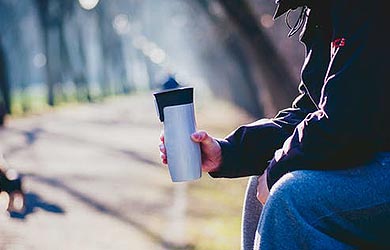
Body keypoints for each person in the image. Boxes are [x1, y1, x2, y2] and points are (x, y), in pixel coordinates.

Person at [159, 0, 390, 249]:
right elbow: (310, 111)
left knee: (289, 197)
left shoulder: (362, 8)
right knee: (261, 180)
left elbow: (344, 119)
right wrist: (227, 152)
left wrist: (279, 167)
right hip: (374, 156)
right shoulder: (322, 11)